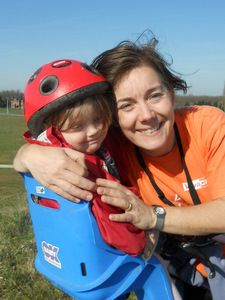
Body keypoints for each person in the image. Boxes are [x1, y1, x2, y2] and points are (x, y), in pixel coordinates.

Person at [14, 35, 225, 299]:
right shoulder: (114, 144)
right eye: (127, 105)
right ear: (113, 115)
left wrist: (152, 217)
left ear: (171, 93)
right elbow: (48, 144)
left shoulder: (207, 126)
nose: (146, 116)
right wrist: (29, 154)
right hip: (180, 264)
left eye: (155, 95)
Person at [20, 58, 147, 257]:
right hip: (110, 256)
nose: (95, 130)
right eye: (78, 126)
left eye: (98, 119)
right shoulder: (79, 169)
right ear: (50, 128)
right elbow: (112, 220)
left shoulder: (98, 147)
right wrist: (145, 241)